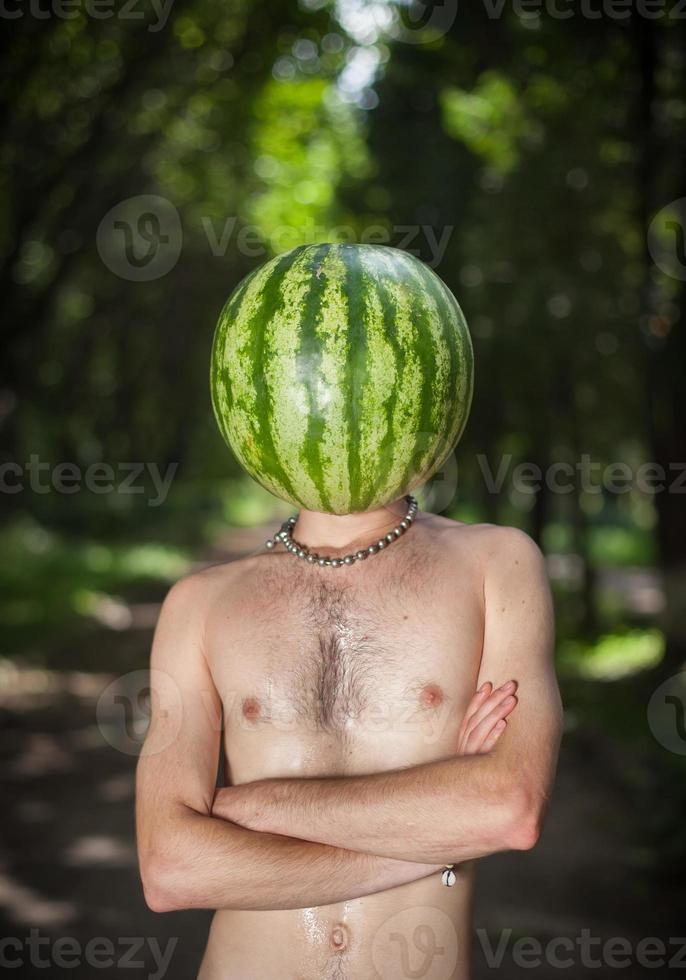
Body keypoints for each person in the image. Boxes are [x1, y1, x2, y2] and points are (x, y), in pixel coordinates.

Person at [135, 494, 563, 979]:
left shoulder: (497, 560)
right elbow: (171, 868)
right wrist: (437, 841)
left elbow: (510, 809)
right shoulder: (198, 602)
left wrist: (263, 806)